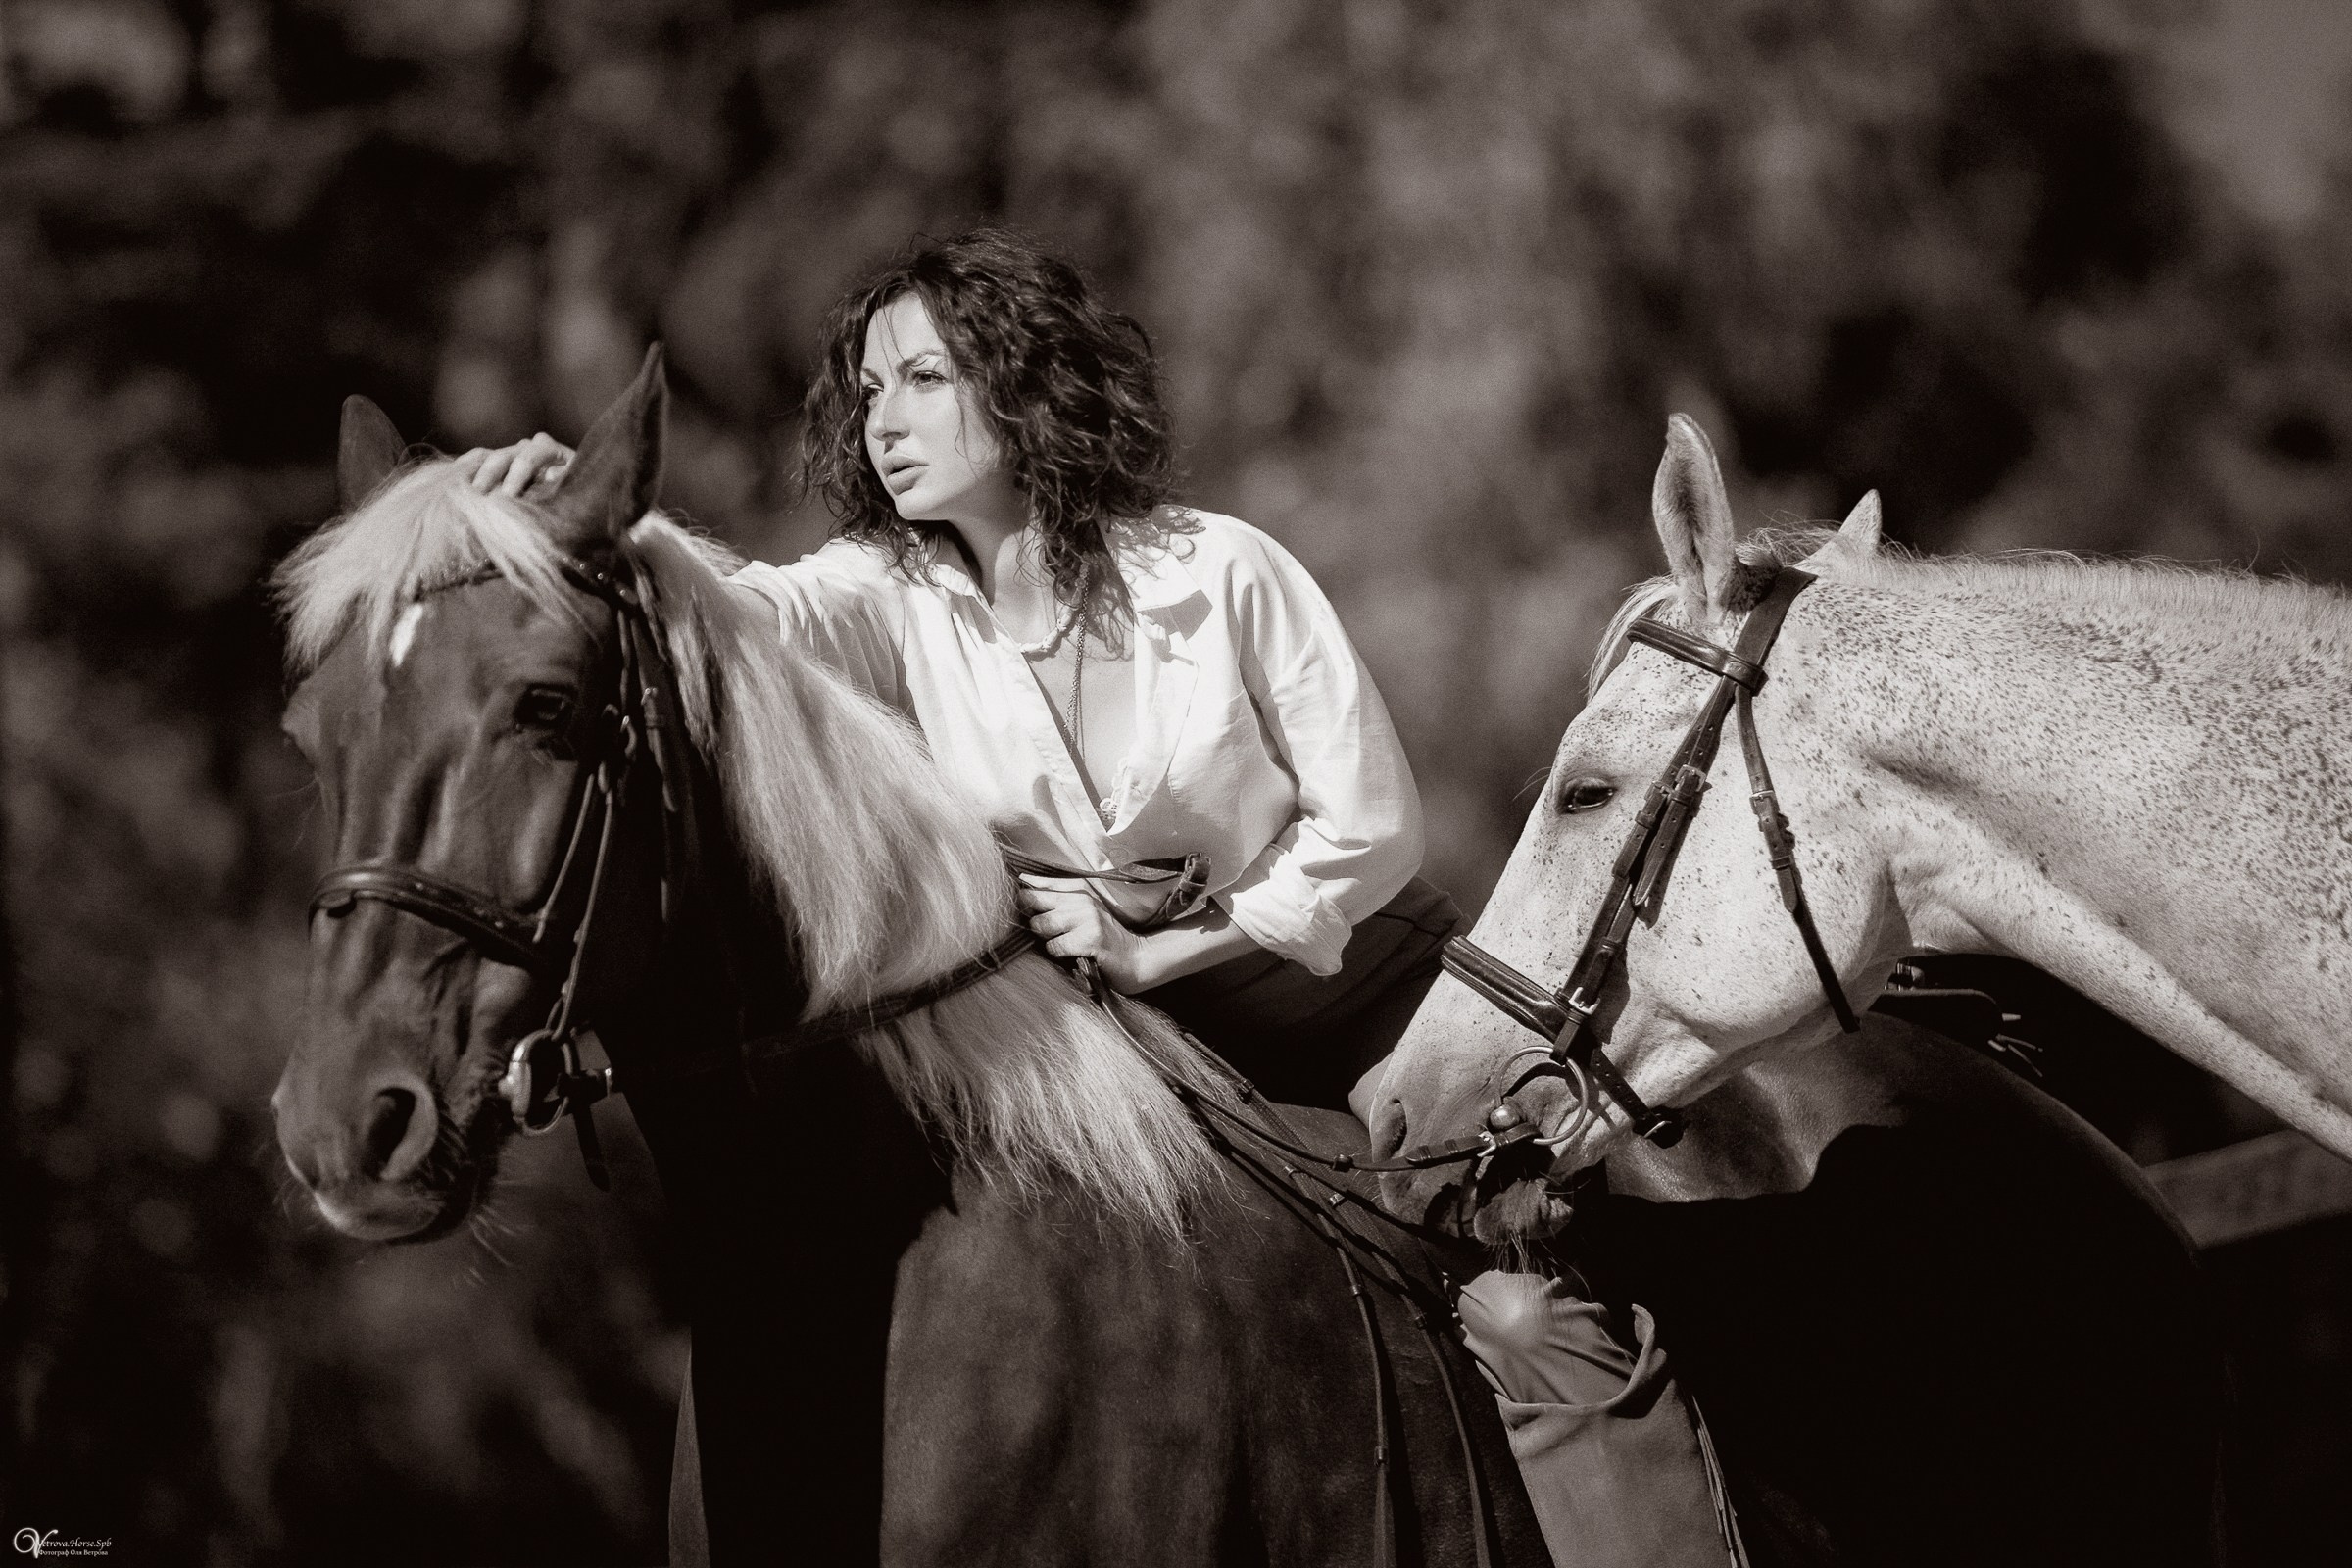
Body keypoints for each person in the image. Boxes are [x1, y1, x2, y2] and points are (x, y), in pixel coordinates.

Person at [465, 228, 1740, 1566]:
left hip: (1355, 998)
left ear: (1020, 387)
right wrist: (578, 502)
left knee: (1527, 1298)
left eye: (920, 381)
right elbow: (738, 611)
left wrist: (1165, 948)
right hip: (1120, 1042)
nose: (877, 420)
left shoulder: (1223, 570)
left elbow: (1369, 831)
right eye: (865, 390)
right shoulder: (884, 598)